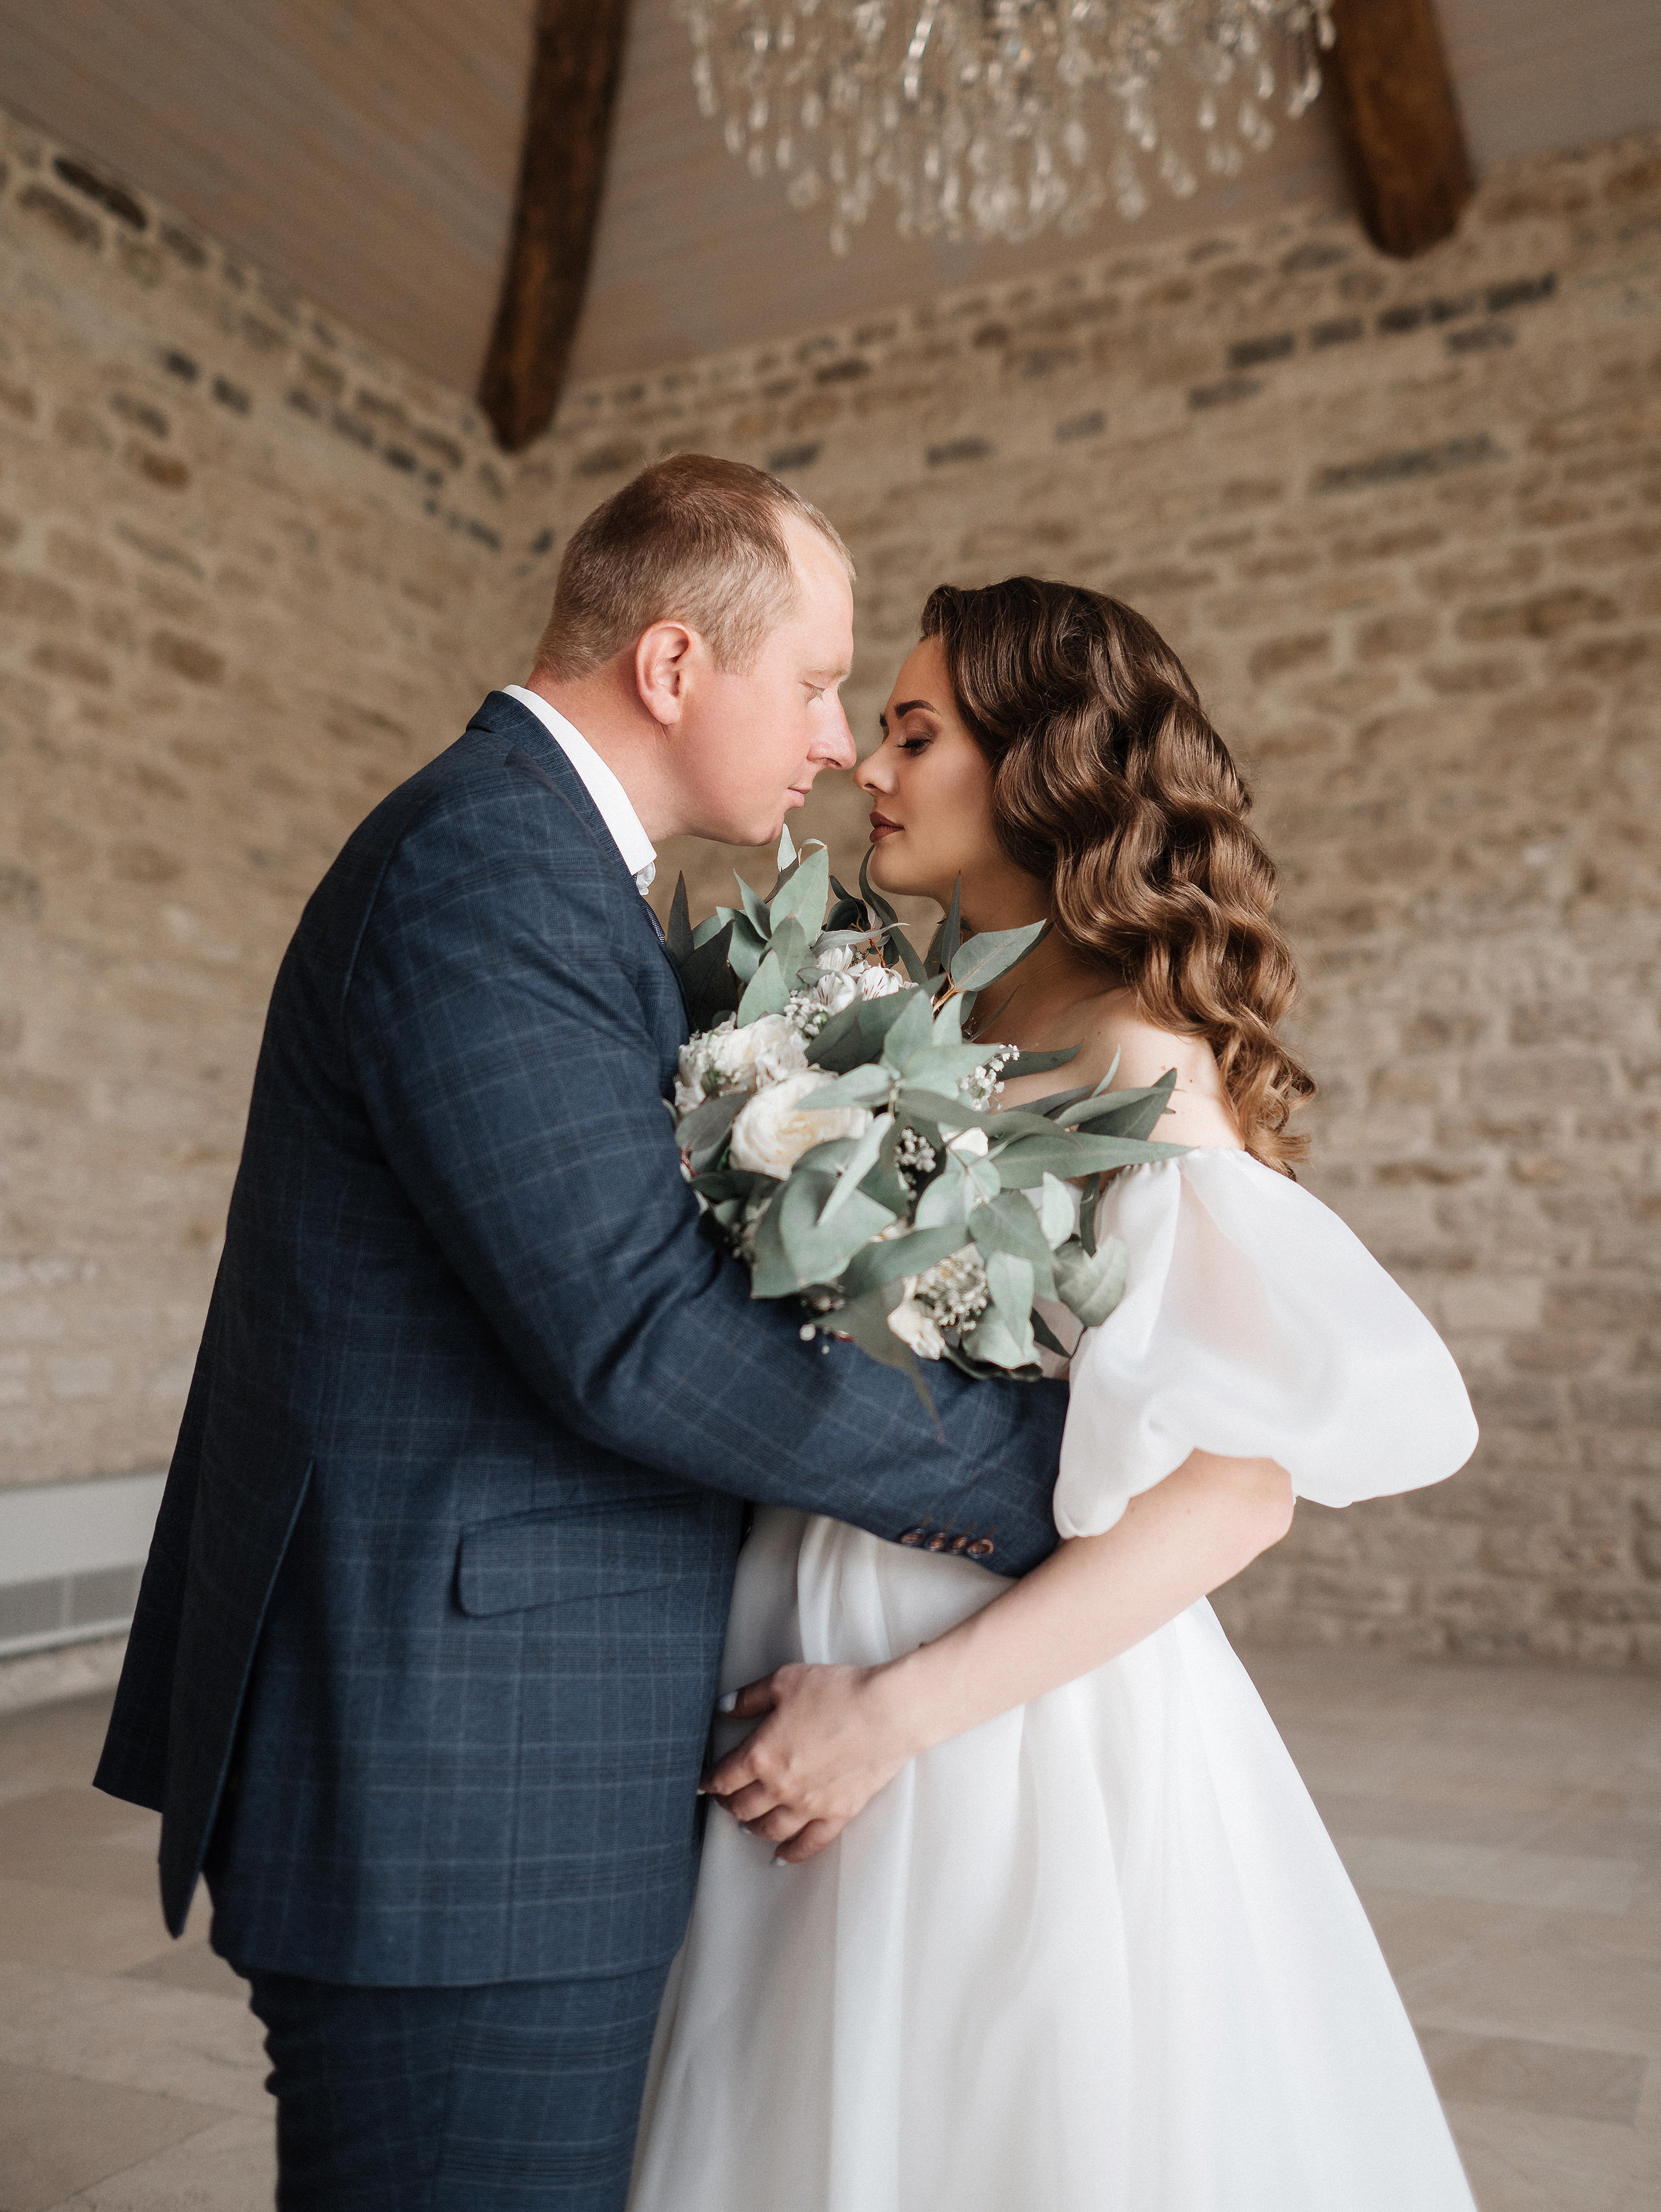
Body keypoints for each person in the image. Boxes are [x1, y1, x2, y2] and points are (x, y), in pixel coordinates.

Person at [93, 460, 1075, 2212]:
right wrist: (1006, 1476)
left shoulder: (542, 867)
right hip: (460, 1784)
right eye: (815, 681)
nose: (840, 740)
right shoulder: (490, 866)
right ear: (676, 666)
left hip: (492, 1758)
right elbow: (632, 1330)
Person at [628, 577, 1481, 2212]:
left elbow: (1237, 1491)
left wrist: (889, 1719)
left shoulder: (1133, 1051)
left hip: (980, 1712)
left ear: (1043, 768)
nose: (866, 766)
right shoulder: (936, 1007)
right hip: (799, 1615)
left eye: (913, 730)